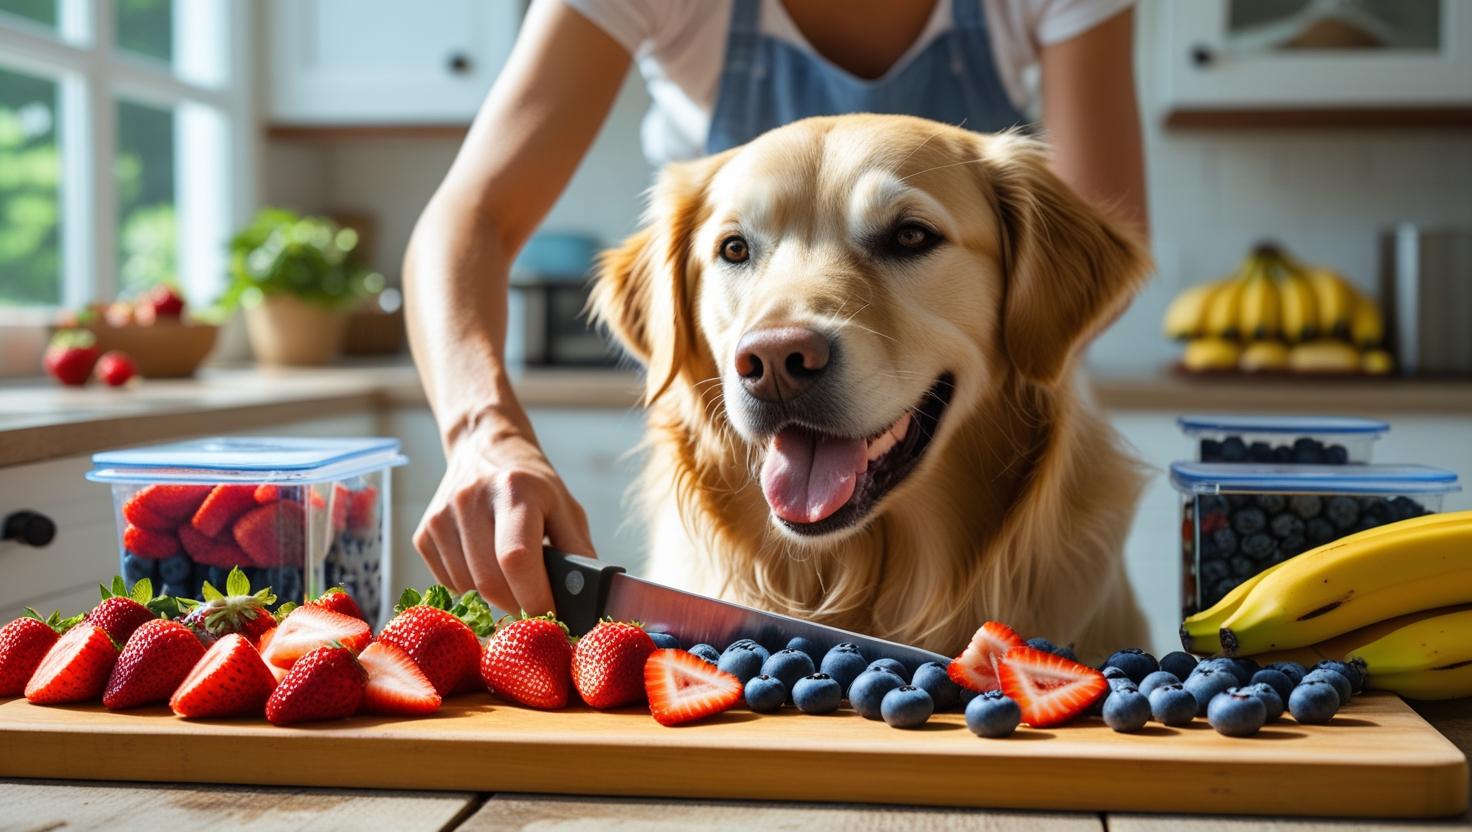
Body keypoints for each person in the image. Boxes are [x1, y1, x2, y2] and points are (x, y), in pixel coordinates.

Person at [404, 0, 1147, 616]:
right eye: (736, 250)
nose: (779, 350)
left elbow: (1097, 231)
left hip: (1043, 553)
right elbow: (469, 219)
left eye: (909, 235)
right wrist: (482, 434)